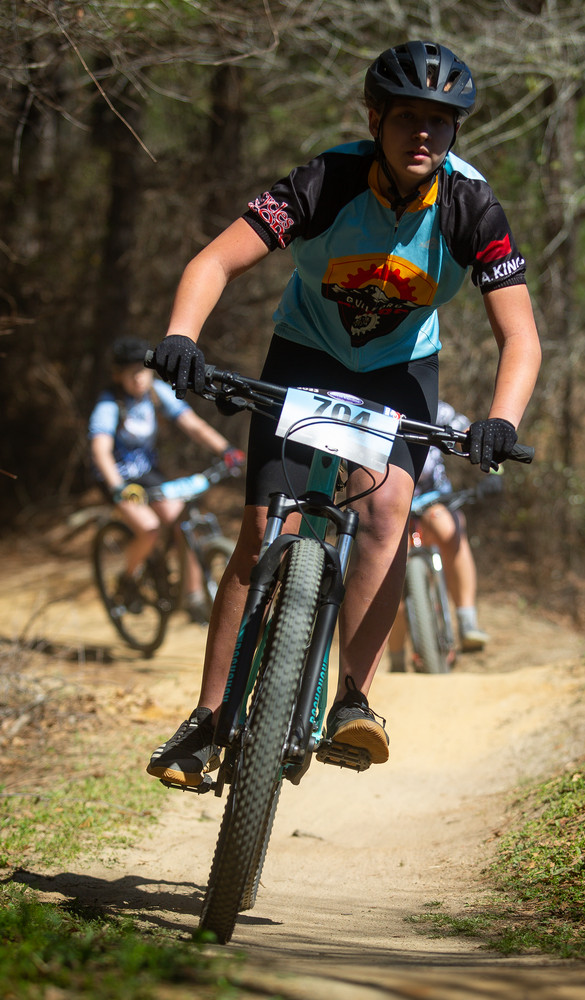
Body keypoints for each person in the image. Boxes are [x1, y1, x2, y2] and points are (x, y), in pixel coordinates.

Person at [145, 39, 542, 787]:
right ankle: (207, 719)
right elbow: (214, 261)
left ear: (456, 130)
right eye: (407, 117)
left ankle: (354, 702)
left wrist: (502, 419)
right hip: (306, 353)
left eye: (440, 121)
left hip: (400, 369)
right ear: (374, 118)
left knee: (389, 513)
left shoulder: (470, 204)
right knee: (263, 526)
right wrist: (181, 336)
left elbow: (518, 335)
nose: (423, 133)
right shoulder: (325, 180)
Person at [89, 335, 243, 625]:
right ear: (118, 375)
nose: (139, 378)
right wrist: (118, 488)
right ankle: (127, 581)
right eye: (131, 373)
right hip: (117, 479)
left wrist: (226, 449)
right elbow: (100, 450)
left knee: (182, 522)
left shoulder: (156, 393)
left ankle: (193, 597)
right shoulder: (108, 405)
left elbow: (193, 425)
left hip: (147, 475)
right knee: (148, 528)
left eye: (143, 371)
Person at [388, 400, 492, 672]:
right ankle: (395, 658)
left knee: (448, 527)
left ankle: (467, 621)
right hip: (390, 503)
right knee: (390, 573)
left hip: (433, 498)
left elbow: (467, 434)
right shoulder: (376, 404)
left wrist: (493, 467)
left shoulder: (436, 409)